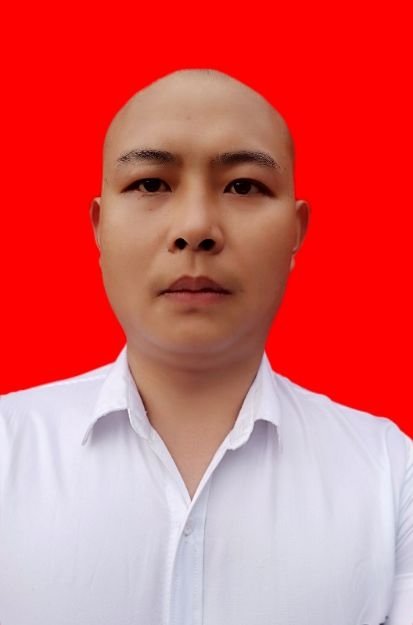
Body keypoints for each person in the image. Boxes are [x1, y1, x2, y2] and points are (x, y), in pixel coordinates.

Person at [0, 69, 411, 625]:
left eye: (242, 186)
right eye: (151, 184)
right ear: (99, 227)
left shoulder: (390, 474)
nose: (195, 228)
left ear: (296, 232)